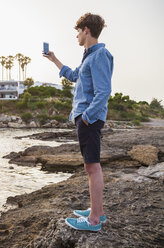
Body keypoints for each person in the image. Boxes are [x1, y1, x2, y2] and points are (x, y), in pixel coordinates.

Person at [43, 13, 113, 231]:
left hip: (89, 119)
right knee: (90, 165)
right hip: (86, 118)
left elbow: (104, 92)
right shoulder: (88, 57)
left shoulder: (100, 55)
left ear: (86, 30)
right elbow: (74, 75)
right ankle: (97, 212)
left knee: (92, 166)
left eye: (77, 31)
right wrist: (54, 59)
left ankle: (93, 221)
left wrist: (87, 118)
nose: (76, 36)